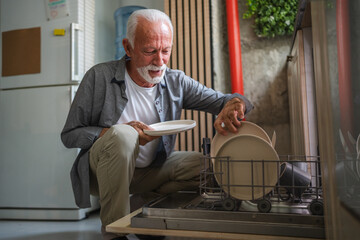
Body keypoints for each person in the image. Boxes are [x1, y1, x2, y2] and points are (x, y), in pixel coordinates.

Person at [61, 9, 253, 240]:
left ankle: (142, 208)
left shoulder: (175, 81)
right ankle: (114, 232)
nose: (159, 61)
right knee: (124, 135)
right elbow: (70, 134)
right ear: (128, 47)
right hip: (101, 173)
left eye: (166, 51)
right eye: (150, 51)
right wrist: (112, 133)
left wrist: (235, 104)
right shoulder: (99, 77)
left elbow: (224, 100)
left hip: (151, 170)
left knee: (206, 166)